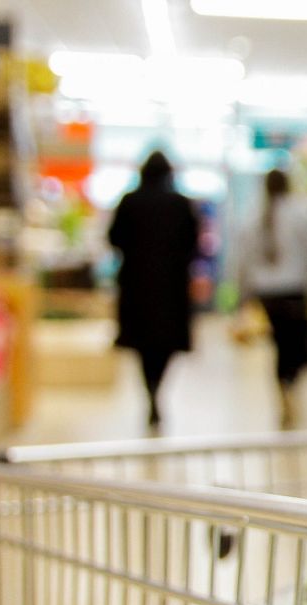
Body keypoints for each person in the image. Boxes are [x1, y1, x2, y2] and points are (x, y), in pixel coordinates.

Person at [107, 150, 201, 431]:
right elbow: (194, 244)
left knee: (143, 348)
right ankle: (156, 390)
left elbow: (114, 238)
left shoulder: (130, 202)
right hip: (171, 289)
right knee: (165, 347)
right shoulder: (181, 204)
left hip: (137, 287)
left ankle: (151, 393)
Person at [237, 168, 307, 427]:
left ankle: (283, 389)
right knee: (298, 345)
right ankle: (291, 386)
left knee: (279, 345)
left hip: (266, 293)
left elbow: (242, 259)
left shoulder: (252, 215)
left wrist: (243, 294)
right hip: (295, 290)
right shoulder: (301, 212)